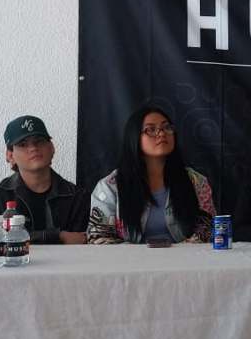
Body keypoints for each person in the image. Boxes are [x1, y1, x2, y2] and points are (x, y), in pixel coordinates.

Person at [88, 100, 215, 244]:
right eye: (151, 129)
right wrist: (143, 255)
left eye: (167, 127)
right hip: (129, 258)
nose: (161, 133)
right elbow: (99, 237)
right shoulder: (109, 187)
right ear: (134, 137)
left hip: (184, 257)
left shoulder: (197, 182)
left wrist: (177, 254)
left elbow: (207, 230)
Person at [0, 115, 90, 243]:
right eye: (23, 144)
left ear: (52, 148)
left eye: (39, 141)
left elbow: (78, 242)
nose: (33, 148)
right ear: (10, 155)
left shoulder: (77, 197)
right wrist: (59, 236)